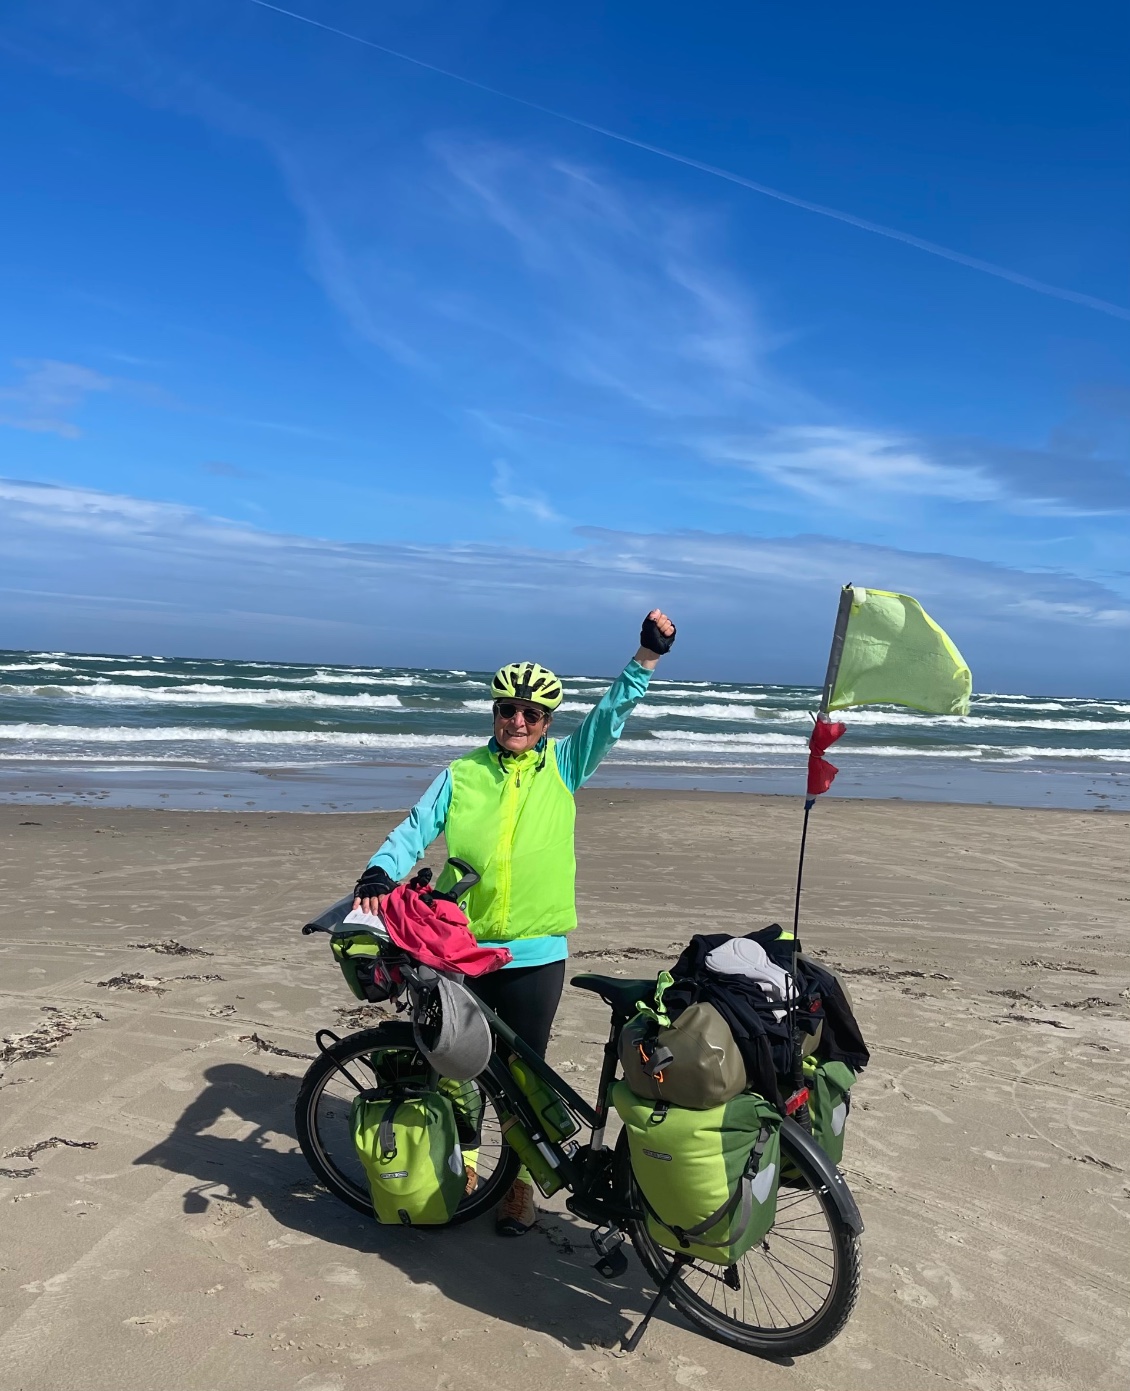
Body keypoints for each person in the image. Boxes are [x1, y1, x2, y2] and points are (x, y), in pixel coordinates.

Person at [351, 608, 677, 1235]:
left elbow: (610, 719)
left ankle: (521, 1187)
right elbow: (416, 830)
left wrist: (646, 658)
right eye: (507, 710)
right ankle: (468, 1164)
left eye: (531, 714)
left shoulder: (564, 765)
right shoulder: (463, 774)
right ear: (494, 712)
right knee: (455, 1063)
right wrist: (378, 873)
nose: (518, 722)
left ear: (547, 722)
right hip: (457, 947)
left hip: (533, 954)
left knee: (527, 1076)